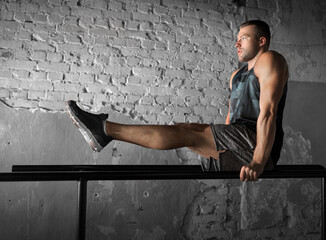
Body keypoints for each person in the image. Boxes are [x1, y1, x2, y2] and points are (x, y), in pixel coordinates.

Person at [66, 20, 288, 182]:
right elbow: (230, 121)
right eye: (237, 39)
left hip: (259, 146)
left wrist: (258, 162)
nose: (237, 44)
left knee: (189, 134)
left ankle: (106, 130)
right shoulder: (236, 76)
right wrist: (220, 150)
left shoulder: (270, 60)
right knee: (186, 129)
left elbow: (268, 113)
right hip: (239, 141)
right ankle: (105, 132)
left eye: (244, 38)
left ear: (261, 41)